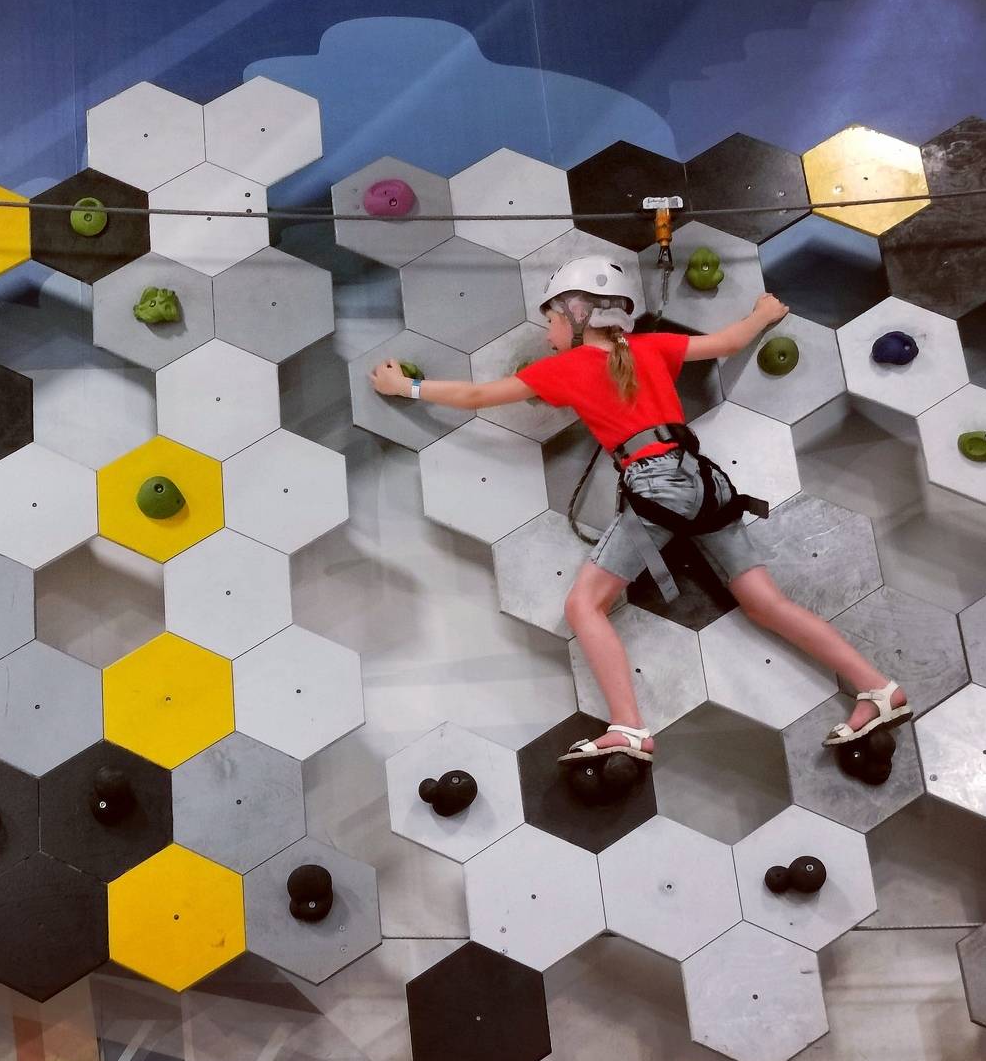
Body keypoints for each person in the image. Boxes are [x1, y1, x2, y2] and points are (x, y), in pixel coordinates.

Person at [369, 255, 909, 764]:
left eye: (551, 320)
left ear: (577, 315)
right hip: (705, 480)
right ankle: (878, 688)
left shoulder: (569, 366)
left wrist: (405, 386)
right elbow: (727, 342)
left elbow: (476, 397)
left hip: (656, 487)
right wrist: (763, 314)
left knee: (584, 605)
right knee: (765, 602)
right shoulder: (651, 348)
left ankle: (628, 727)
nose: (549, 333)